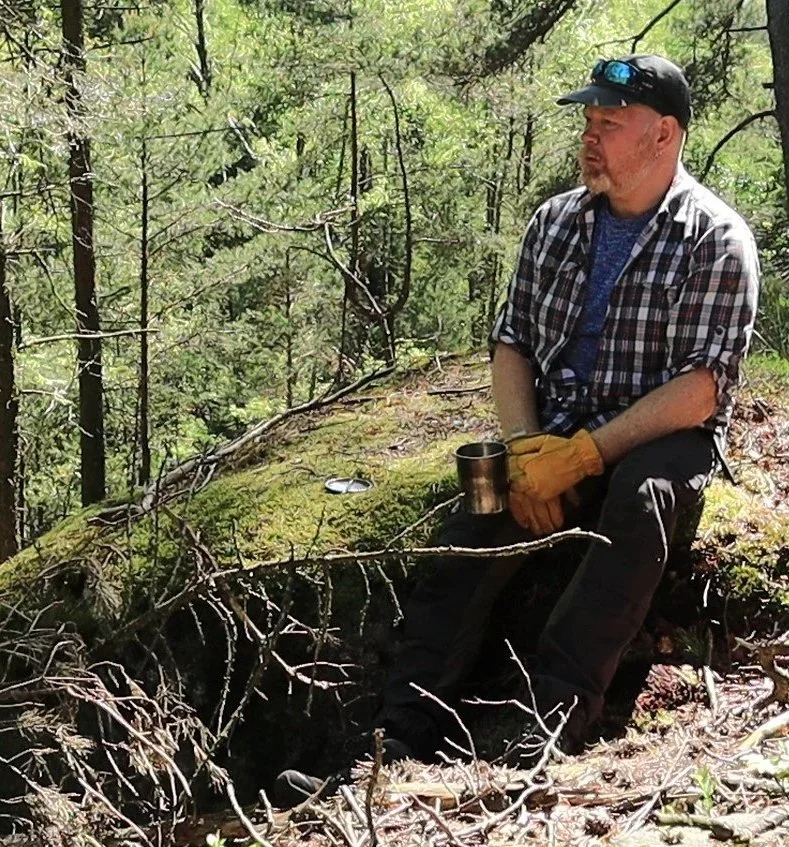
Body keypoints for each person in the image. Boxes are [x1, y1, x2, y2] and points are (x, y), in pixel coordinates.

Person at [275, 52, 758, 804]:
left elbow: (699, 390)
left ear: (664, 136)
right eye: (588, 122)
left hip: (654, 436)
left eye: (610, 124)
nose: (590, 138)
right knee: (475, 517)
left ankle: (549, 724)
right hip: (552, 428)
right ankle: (395, 744)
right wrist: (528, 451)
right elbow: (512, 345)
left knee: (640, 501)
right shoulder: (558, 222)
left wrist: (586, 457)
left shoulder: (715, 239)